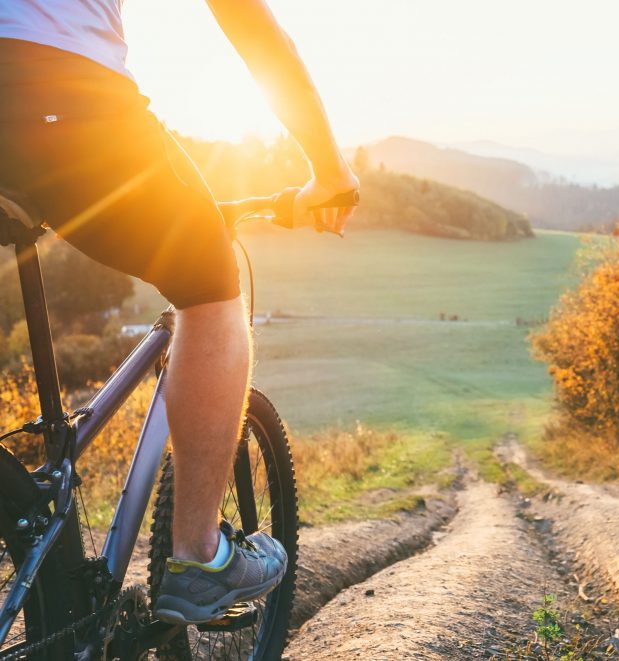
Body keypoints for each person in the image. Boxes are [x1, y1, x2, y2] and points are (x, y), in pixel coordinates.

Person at [0, 1, 358, 625]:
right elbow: (251, 25)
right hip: (53, 89)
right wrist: (329, 170)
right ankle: (198, 556)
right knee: (211, 283)